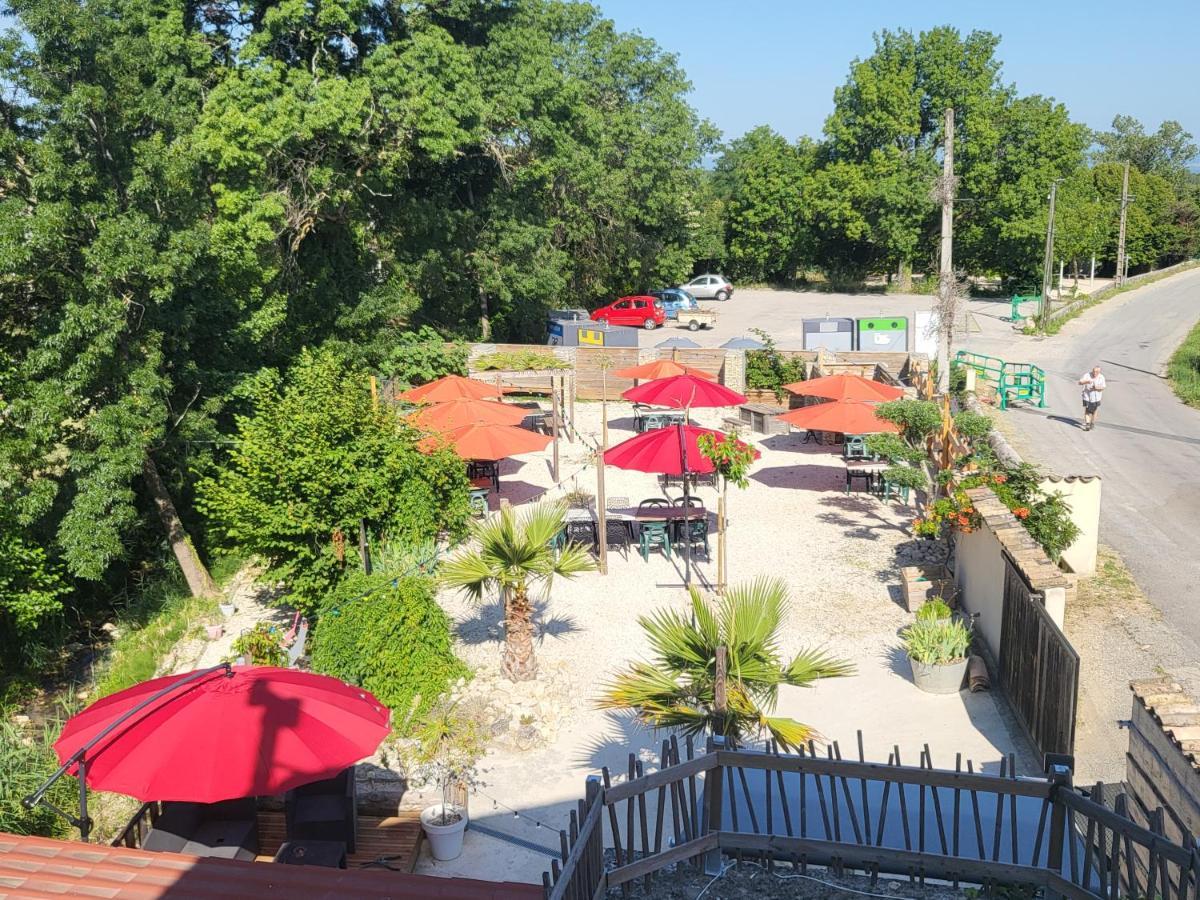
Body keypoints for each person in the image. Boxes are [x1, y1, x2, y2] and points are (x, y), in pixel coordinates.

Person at [1078, 365, 1106, 431]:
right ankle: (1087, 424)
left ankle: (1092, 423)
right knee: (1087, 410)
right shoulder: (1087, 375)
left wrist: (1096, 388)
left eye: (1097, 372)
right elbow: (1079, 382)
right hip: (1087, 396)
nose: (1095, 373)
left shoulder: (1101, 377)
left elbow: (1103, 387)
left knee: (1094, 411)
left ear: (1099, 372)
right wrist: (1087, 382)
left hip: (1096, 397)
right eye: (1094, 371)